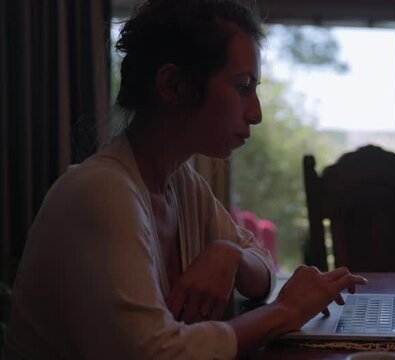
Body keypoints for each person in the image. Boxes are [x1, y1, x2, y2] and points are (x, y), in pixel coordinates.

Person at [3, 0, 367, 358]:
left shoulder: (182, 186)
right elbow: (155, 353)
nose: (256, 114)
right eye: (242, 86)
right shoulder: (100, 191)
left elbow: (263, 267)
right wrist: (286, 312)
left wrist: (231, 255)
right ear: (173, 85)